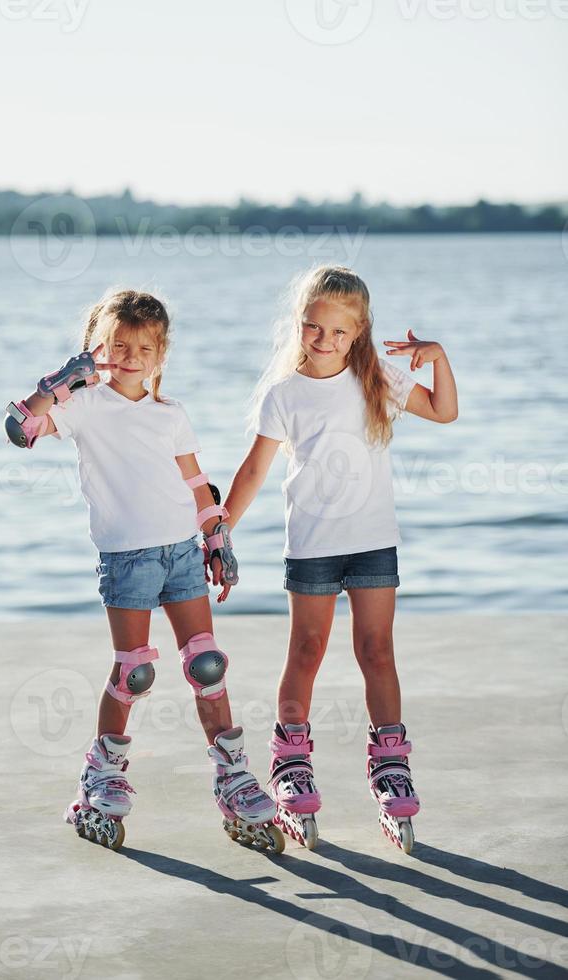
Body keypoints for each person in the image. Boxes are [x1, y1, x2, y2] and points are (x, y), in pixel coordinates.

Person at [4, 289, 283, 852]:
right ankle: (100, 777)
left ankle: (233, 779)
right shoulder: (81, 407)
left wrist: (217, 538)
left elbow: (197, 484)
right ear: (97, 347)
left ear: (160, 355)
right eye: (119, 345)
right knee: (134, 672)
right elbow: (19, 429)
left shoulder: (170, 414)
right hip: (126, 558)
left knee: (207, 665)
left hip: (181, 552)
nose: (131, 356)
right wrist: (60, 382)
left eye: (145, 347)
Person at [222, 266, 458, 852]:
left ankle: (390, 762)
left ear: (358, 333)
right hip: (312, 547)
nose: (323, 339)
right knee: (306, 649)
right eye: (312, 326)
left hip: (374, 540)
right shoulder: (284, 395)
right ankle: (291, 761)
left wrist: (439, 358)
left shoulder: (376, 378)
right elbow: (255, 469)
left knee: (377, 651)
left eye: (337, 331)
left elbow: (445, 411)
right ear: (299, 326)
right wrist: (220, 527)